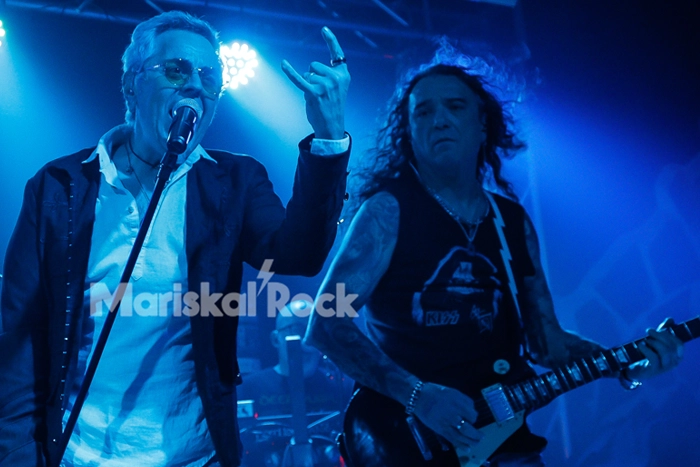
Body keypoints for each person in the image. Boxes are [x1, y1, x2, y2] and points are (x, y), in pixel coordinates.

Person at [0, 10, 350, 467]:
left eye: (210, 76)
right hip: (76, 454)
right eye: (176, 70)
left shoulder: (235, 182)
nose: (196, 86)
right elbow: (18, 336)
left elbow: (299, 255)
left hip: (194, 454)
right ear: (132, 84)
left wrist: (328, 138)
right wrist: (18, 456)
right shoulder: (60, 187)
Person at [304, 52, 685, 466]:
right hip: (406, 439)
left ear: (483, 123)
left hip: (508, 443)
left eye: (455, 106)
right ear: (409, 132)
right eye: (423, 112)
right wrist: (418, 396)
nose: (439, 120)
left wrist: (626, 365)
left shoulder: (511, 222)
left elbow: (547, 343)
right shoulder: (387, 212)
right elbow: (325, 320)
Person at [238, 300, 353, 419]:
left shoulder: (343, 387)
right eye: (297, 329)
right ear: (276, 339)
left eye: (314, 330)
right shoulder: (247, 389)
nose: (306, 341)